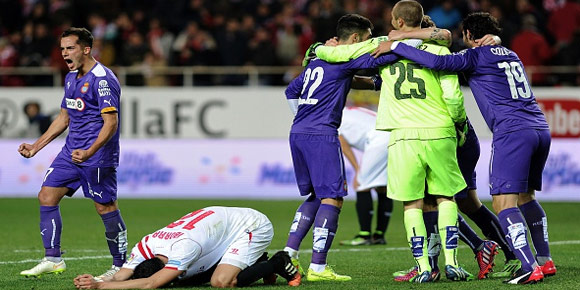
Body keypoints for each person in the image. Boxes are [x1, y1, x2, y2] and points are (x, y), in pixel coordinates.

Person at [382, 12, 555, 285]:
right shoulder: (510, 53)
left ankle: (526, 265)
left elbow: (437, 61)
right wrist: (497, 39)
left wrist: (395, 45)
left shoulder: (475, 56)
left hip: (512, 132)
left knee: (502, 203)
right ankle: (545, 262)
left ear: (469, 36)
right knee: (526, 197)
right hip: (540, 128)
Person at [314, 1, 472, 283]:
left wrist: (319, 49)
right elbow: (452, 96)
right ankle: (452, 262)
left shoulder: (383, 45)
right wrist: (459, 124)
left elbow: (345, 54)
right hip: (439, 130)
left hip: (401, 134)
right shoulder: (438, 49)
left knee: (412, 202)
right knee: (446, 198)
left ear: (398, 22)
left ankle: (424, 267)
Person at [283, 14, 410, 282]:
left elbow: (291, 91)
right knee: (333, 198)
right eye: (364, 39)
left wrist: (303, 117)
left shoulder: (316, 61)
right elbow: (383, 57)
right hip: (322, 135)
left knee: (316, 196)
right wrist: (403, 43)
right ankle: (318, 267)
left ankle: (290, 254)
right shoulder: (345, 60)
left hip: (298, 132)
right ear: (355, 39)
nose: (366, 44)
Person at [18, 27, 127, 279]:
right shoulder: (70, 78)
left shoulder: (103, 79)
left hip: (97, 155)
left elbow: (111, 123)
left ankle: (120, 266)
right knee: (46, 196)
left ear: (86, 49)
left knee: (105, 208)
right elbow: (64, 117)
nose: (64, 53)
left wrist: (89, 152)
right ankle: (53, 258)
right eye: (62, 48)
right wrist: (36, 146)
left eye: (70, 48)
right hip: (71, 153)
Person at [73, 206, 300, 289]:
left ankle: (277, 261)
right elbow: (123, 274)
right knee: (191, 277)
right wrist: (97, 279)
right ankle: (256, 261)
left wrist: (99, 288)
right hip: (219, 228)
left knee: (222, 282)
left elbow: (151, 283)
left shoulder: (184, 248)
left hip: (251, 225)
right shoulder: (145, 245)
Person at [337, 106, 393, 246]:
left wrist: (357, 170)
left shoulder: (332, 116)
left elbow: (343, 145)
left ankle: (364, 235)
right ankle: (379, 235)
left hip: (378, 141)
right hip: (391, 136)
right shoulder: (348, 110)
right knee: (382, 187)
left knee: (362, 185)